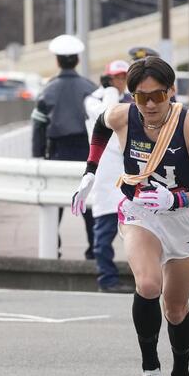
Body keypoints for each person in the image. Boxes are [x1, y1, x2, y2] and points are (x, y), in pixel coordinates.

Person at [71, 56, 189, 376]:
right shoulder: (122, 115)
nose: (151, 105)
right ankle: (150, 371)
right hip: (140, 212)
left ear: (171, 92)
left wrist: (179, 198)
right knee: (147, 284)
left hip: (182, 218)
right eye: (142, 98)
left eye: (158, 95)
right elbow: (100, 126)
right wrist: (90, 173)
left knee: (175, 309)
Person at [31, 34, 96, 258]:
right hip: (87, 153)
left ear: (57, 61)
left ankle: (53, 248)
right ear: (77, 60)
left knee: (53, 205)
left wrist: (38, 156)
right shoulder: (90, 88)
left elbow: (38, 125)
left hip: (57, 151)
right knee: (89, 204)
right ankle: (94, 251)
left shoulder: (48, 90)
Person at [84, 60, 133, 293]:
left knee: (142, 230)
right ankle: (107, 278)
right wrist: (112, 91)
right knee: (104, 231)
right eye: (117, 77)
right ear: (107, 78)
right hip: (106, 171)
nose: (121, 81)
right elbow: (108, 116)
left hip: (131, 170)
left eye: (124, 76)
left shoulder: (134, 99)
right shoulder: (93, 100)